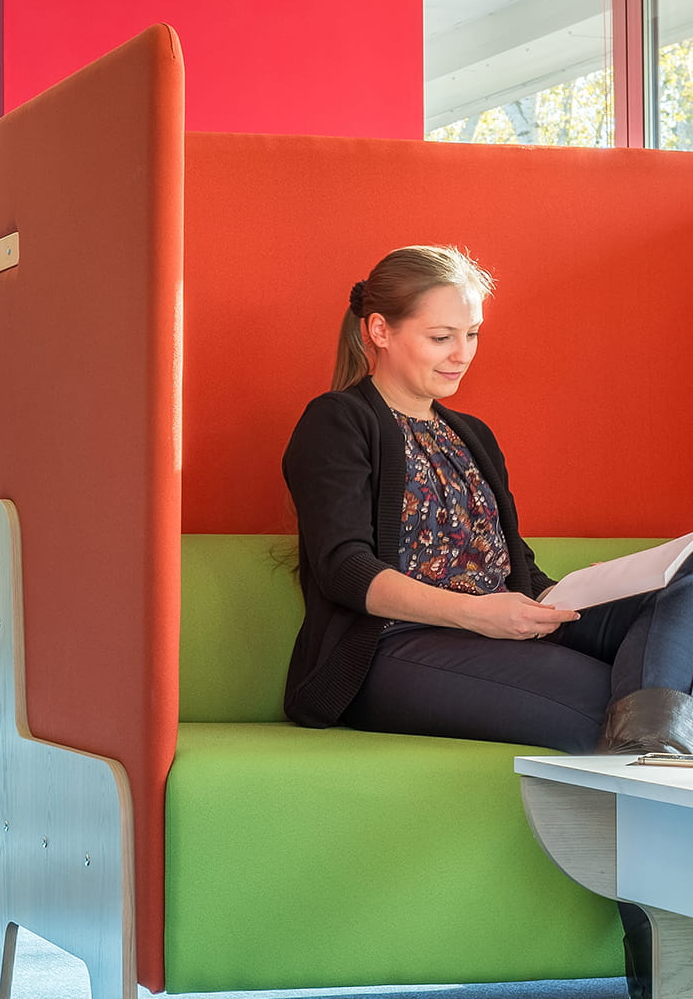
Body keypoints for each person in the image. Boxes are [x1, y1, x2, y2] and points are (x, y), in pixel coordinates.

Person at [283, 244, 693, 999]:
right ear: (378, 328)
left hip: (504, 624)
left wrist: (577, 597)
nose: (462, 354)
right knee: (619, 713)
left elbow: (518, 570)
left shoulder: (471, 433)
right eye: (442, 336)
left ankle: (650, 748)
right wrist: (480, 615)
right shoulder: (337, 421)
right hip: (395, 652)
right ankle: (662, 927)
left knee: (688, 579)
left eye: (471, 334)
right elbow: (344, 570)